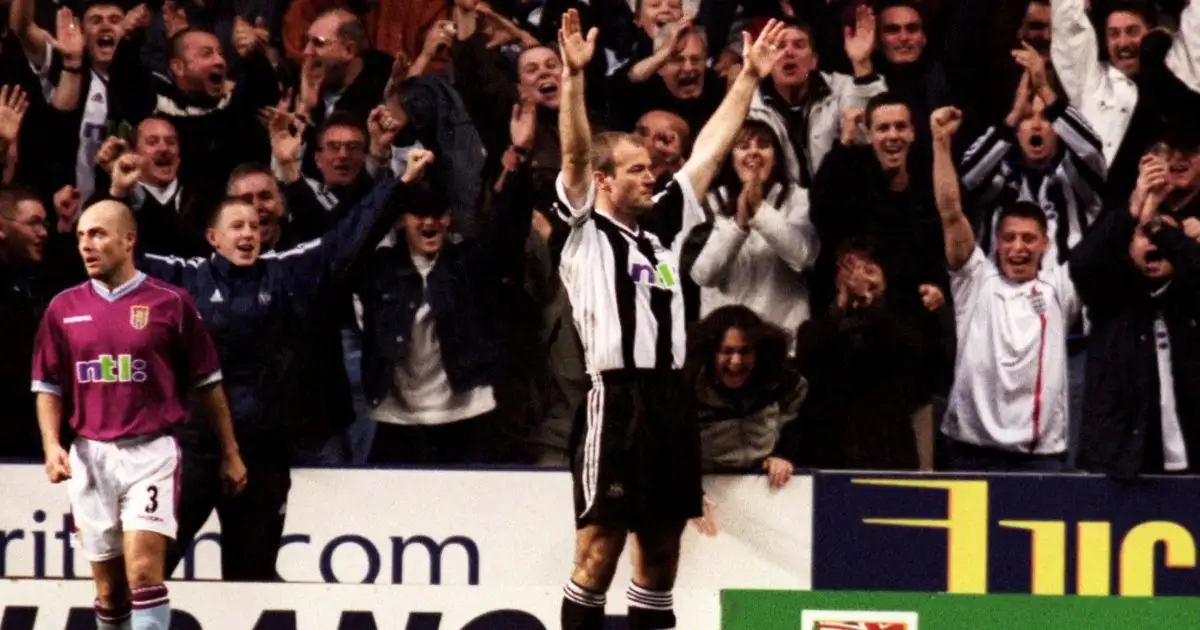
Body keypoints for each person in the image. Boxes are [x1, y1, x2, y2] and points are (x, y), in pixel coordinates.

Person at [553, 9, 787, 629]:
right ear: (603, 182)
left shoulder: (661, 223)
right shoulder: (585, 229)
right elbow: (575, 154)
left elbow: (709, 151)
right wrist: (574, 82)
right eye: (636, 169)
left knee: (661, 554)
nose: (651, 173)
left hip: (671, 400)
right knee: (599, 551)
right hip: (618, 397)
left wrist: (748, 81)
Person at [30, 199, 246, 630]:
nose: (86, 246)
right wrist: (52, 446)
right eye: (80, 237)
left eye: (97, 234)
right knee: (109, 591)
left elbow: (209, 383)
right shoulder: (63, 309)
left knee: (145, 573)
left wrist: (230, 452)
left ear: (129, 240)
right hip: (90, 456)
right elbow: (48, 387)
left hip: (151, 452)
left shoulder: (171, 303)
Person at [931, 105, 1082, 472]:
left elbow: (1105, 227)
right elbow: (950, 211)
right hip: (969, 450)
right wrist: (939, 144)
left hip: (1040, 457)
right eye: (1010, 238)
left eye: (1029, 239)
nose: (1018, 247)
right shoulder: (974, 280)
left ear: (1045, 244)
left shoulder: (1060, 287)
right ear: (996, 242)